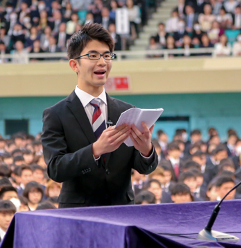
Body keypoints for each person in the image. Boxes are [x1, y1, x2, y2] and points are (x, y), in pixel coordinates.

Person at [41, 23, 158, 208]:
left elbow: (146, 168)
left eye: (107, 55)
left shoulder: (127, 111)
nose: (102, 62)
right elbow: (56, 169)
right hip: (79, 214)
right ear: (74, 64)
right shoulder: (56, 114)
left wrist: (146, 150)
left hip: (121, 211)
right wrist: (95, 150)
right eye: (93, 56)